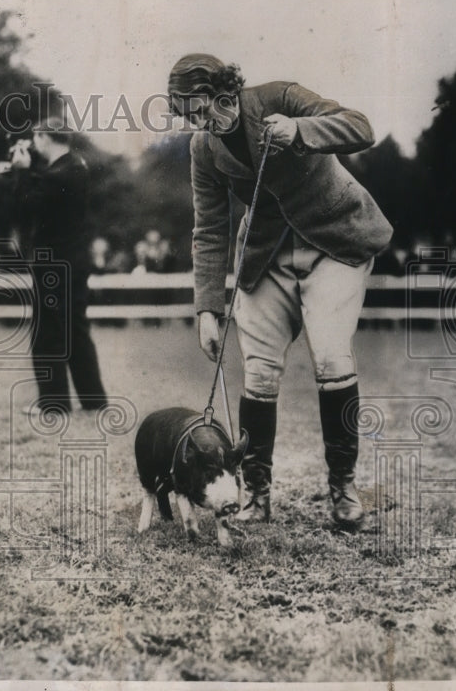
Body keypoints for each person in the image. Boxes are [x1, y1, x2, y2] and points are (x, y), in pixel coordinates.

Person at [168, 53, 393, 528]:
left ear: (227, 93)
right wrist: (207, 309)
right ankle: (256, 495)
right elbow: (209, 227)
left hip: (336, 241)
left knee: (332, 359)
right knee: (260, 371)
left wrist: (301, 130)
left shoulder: (281, 96)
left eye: (203, 110)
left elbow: (360, 126)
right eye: (187, 116)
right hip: (266, 255)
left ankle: (343, 489)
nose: (199, 124)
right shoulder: (203, 149)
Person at [1, 118, 108, 415]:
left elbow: (25, 206)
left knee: (47, 333)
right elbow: (45, 187)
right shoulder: (75, 165)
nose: (34, 144)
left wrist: (21, 172)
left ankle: (53, 402)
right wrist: (19, 171)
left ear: (45, 137)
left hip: (55, 264)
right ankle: (93, 399)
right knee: (75, 331)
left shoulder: (60, 174)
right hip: (72, 262)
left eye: (36, 138)